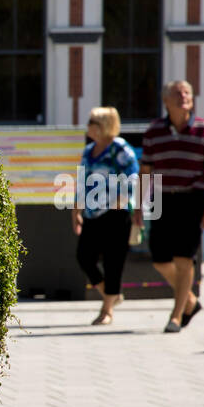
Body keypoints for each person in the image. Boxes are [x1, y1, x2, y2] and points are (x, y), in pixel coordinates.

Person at [138, 80, 204, 333]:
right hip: (163, 198)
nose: (183, 96)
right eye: (177, 93)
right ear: (166, 101)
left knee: (184, 258)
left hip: (192, 198)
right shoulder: (154, 132)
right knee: (160, 259)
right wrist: (138, 207)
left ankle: (176, 316)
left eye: (187, 93)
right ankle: (190, 301)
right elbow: (145, 171)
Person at [73, 106, 138, 325]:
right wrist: (76, 210)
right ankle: (111, 295)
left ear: (103, 126)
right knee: (84, 256)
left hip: (115, 214)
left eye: (92, 121)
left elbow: (134, 178)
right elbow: (82, 181)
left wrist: (122, 200)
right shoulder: (88, 150)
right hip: (92, 213)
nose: (88, 125)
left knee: (113, 262)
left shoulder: (119, 149)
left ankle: (106, 310)